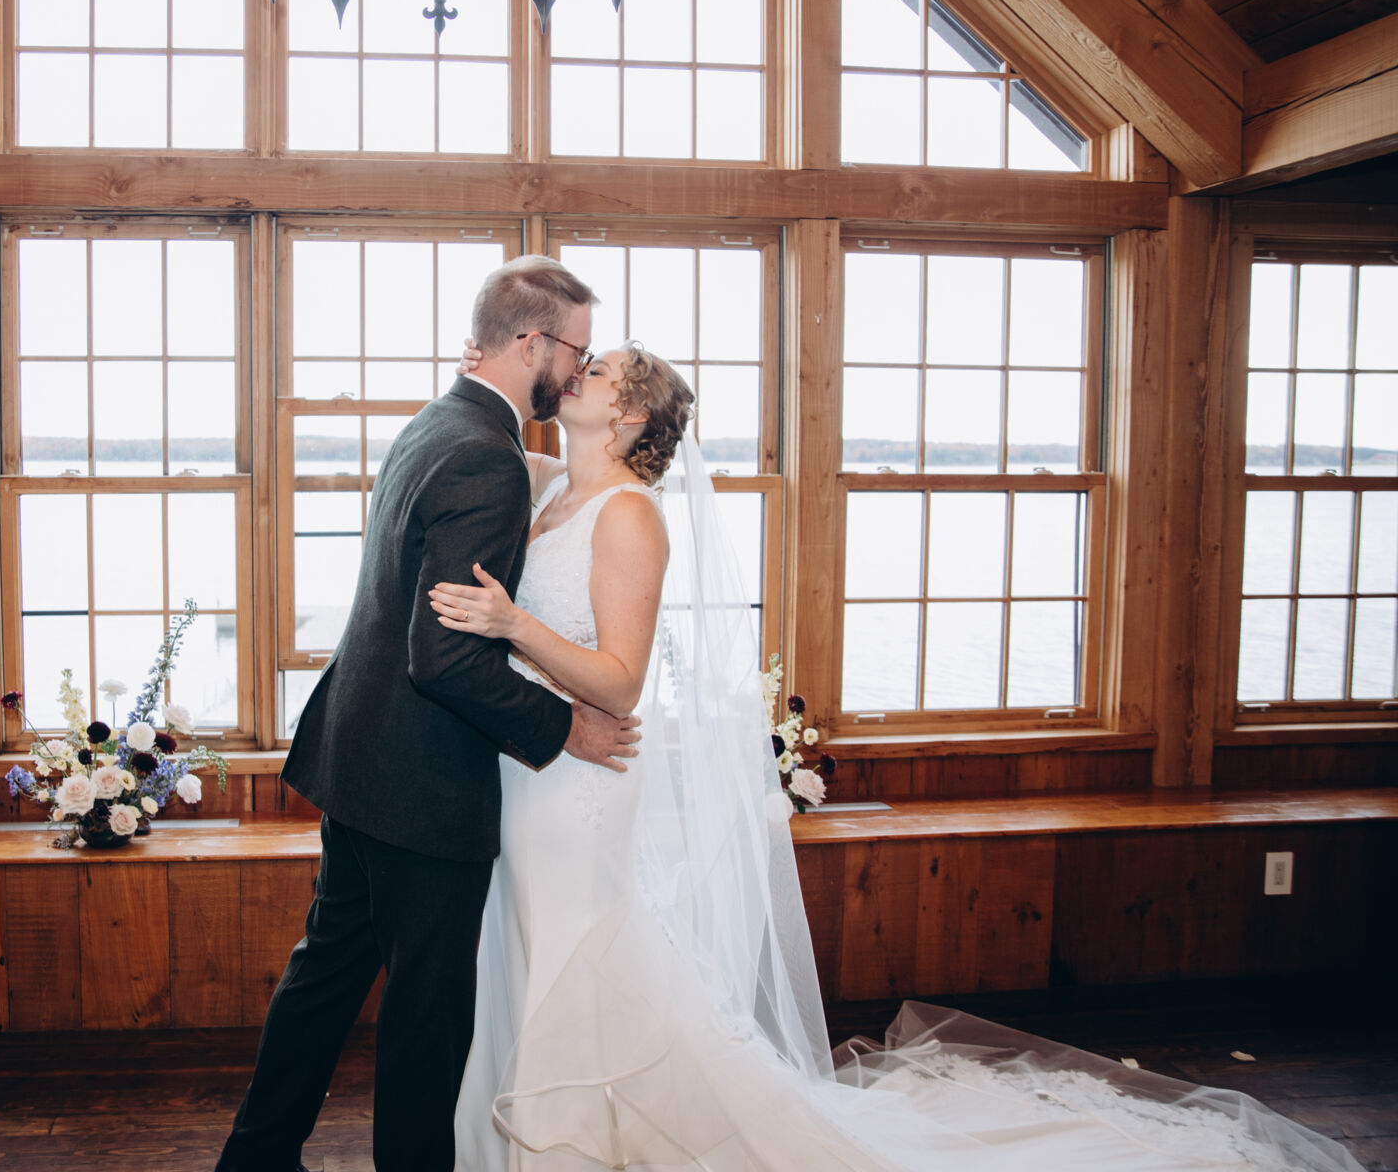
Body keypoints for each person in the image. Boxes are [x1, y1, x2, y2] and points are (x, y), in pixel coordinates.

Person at [438, 338, 1364, 1172]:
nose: (576, 372)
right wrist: (479, 372)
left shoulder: (630, 517)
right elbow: (482, 427)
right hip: (526, 768)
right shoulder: (552, 489)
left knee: (574, 946)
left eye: (597, 369)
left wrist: (514, 624)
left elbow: (622, 682)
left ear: (633, 413)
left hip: (583, 781)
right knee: (528, 944)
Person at [215, 257, 642, 1172]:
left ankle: (253, 1159)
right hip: (423, 784)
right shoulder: (487, 459)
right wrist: (565, 727)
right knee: (426, 1022)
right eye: (576, 350)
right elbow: (443, 655)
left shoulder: (435, 421)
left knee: (325, 978)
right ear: (530, 342)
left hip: (359, 760)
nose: (578, 368)